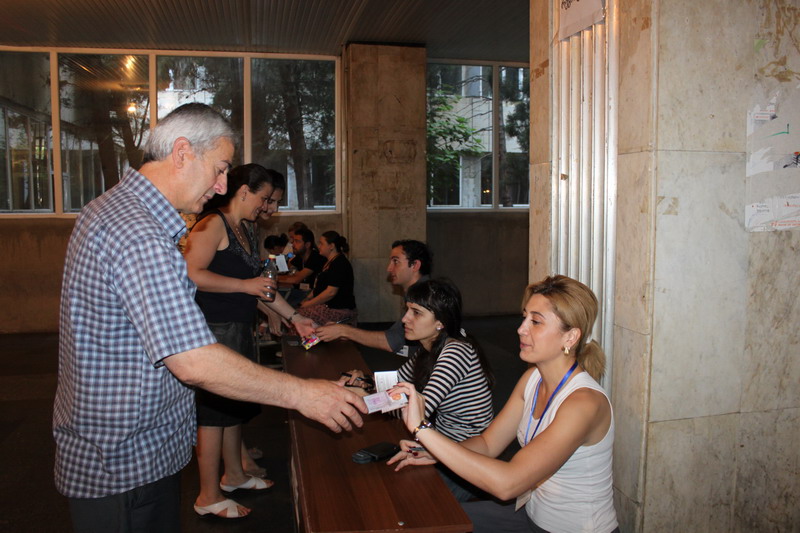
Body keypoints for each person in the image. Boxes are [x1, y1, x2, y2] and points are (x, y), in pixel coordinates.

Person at [53, 103, 366, 532]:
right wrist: (305, 395)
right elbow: (194, 361)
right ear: (183, 152)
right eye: (219, 169)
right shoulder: (139, 232)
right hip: (124, 460)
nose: (222, 186)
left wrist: (290, 315)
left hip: (131, 450)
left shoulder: (121, 212)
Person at [388, 275, 618, 533]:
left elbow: (508, 484)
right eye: (524, 317)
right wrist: (435, 452)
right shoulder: (532, 378)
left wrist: (422, 430)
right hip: (530, 515)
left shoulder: (584, 403)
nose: (521, 329)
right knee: (427, 518)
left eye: (536, 322)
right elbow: (488, 443)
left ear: (570, 337)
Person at [184, 164, 307, 518]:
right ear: (243, 192)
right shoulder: (212, 223)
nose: (266, 206)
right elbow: (190, 273)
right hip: (214, 327)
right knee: (212, 414)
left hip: (236, 326)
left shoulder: (245, 228)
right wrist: (244, 286)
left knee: (232, 405)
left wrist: (296, 317)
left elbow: (261, 287)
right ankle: (207, 496)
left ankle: (234, 475)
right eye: (263, 198)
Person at [342, 278, 494, 501]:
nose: (405, 318)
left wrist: (360, 397)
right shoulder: (431, 347)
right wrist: (365, 381)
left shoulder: (455, 352)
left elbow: (417, 411)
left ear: (440, 322)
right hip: (444, 441)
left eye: (416, 313)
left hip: (467, 455)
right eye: (407, 310)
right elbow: (397, 381)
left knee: (398, 494)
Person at [316, 239, 432, 356]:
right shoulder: (420, 292)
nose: (389, 268)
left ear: (415, 265)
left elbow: (391, 341)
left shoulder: (425, 296)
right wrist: (343, 331)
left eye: (396, 261)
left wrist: (343, 331)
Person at [297, 230, 357, 325]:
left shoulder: (339, 263)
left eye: (321, 243)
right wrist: (307, 298)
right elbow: (318, 287)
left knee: (298, 317)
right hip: (327, 306)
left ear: (331, 246)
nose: (319, 246)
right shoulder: (328, 262)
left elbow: (330, 292)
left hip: (338, 309)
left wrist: (308, 304)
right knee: (295, 312)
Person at [278, 227, 326, 306]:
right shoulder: (299, 257)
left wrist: (273, 278)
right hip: (301, 291)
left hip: (314, 295)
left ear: (307, 245)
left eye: (297, 241)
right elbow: (284, 271)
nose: (293, 245)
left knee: (282, 305)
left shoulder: (315, 257)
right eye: (293, 241)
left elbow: (296, 279)